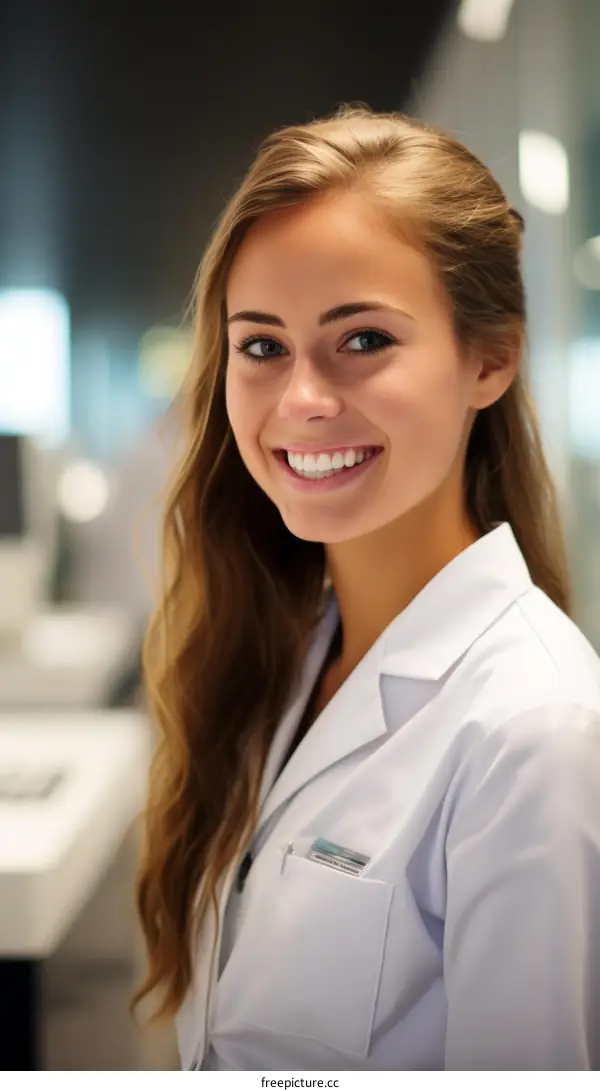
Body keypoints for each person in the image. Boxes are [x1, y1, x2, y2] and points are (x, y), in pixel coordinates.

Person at [131, 107, 600, 1071]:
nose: (301, 398)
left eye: (363, 340)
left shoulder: (534, 731)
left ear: (490, 358)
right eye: (261, 346)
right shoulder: (285, 650)